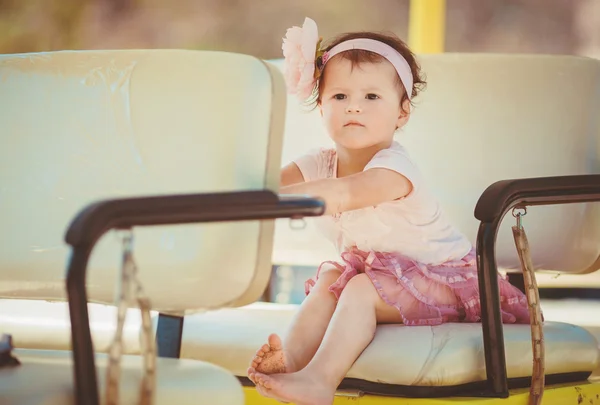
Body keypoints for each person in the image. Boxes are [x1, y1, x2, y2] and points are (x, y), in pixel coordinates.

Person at [247, 17, 530, 405]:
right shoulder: (318, 162)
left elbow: (347, 192)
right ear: (321, 107)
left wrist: (278, 201)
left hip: (453, 281)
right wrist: (239, 191)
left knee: (360, 287)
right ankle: (291, 361)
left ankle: (319, 380)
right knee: (333, 277)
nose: (354, 108)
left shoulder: (395, 168)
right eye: (339, 97)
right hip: (387, 275)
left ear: (402, 113)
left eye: (372, 97)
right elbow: (263, 185)